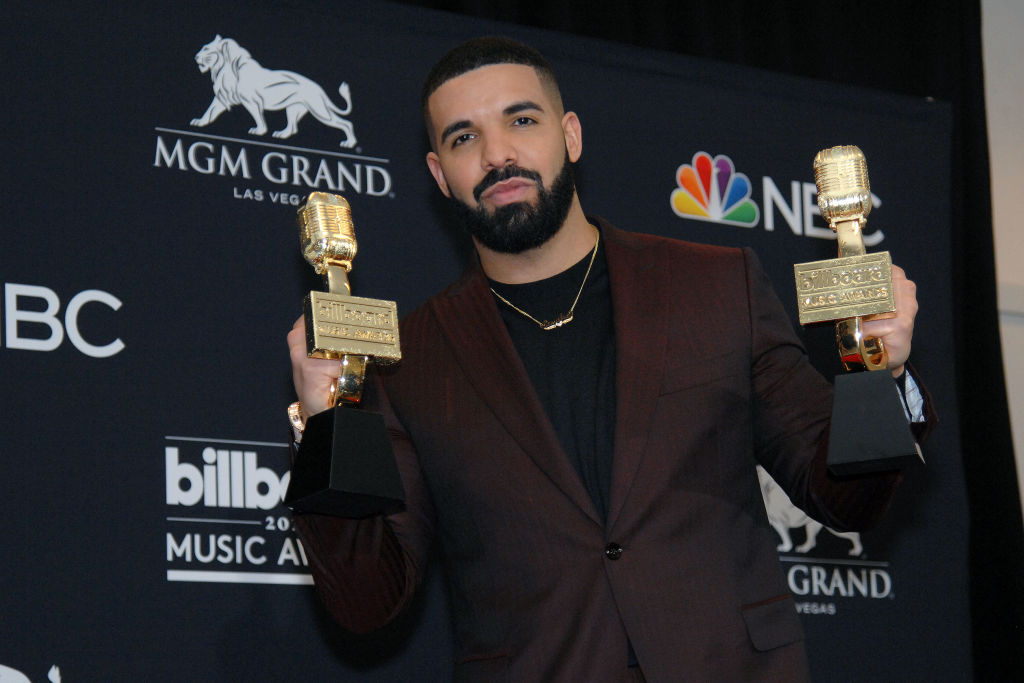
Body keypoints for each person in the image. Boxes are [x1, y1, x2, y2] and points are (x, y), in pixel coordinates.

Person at [286, 36, 930, 682]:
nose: (498, 154)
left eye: (521, 120)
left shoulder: (716, 286)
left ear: (571, 135)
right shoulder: (410, 356)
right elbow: (368, 600)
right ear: (438, 175)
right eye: (463, 138)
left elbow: (845, 495)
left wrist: (882, 372)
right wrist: (326, 426)